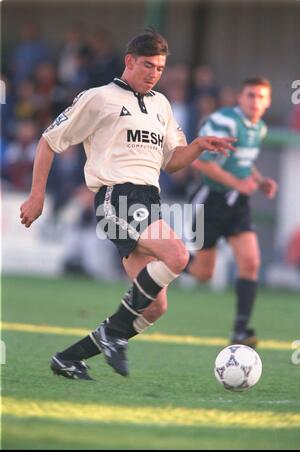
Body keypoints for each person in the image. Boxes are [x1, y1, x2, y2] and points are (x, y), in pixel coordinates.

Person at [20, 28, 235, 380]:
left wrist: (197, 146)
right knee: (178, 255)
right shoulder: (98, 98)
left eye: (160, 68)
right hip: (115, 197)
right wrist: (37, 195)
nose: (154, 74)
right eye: (148, 65)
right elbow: (48, 142)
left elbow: (172, 161)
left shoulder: (161, 105)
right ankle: (111, 335)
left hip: (148, 200)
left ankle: (68, 358)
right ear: (129, 61)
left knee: (154, 307)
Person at [187, 77, 278, 348]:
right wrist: (238, 183)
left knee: (250, 263)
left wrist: (259, 181)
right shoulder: (224, 121)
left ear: (268, 101)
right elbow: (202, 164)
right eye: (250, 95)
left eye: (261, 97)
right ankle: (171, 259)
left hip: (237, 203)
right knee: (204, 275)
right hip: (209, 201)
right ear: (239, 98)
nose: (255, 101)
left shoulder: (259, 127)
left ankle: (240, 331)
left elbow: (243, 163)